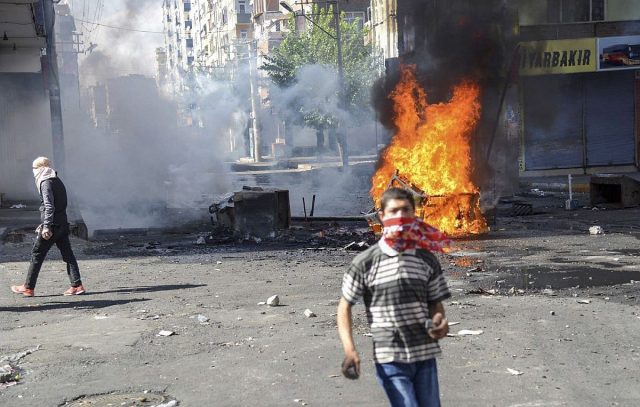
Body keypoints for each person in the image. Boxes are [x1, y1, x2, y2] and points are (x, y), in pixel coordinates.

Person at [337, 187, 452, 407]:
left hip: (424, 354)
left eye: (405, 210)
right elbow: (344, 307)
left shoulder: (426, 260)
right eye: (393, 211)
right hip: (390, 356)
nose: (400, 217)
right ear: (382, 216)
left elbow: (435, 304)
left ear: (414, 214)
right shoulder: (365, 262)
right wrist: (350, 349)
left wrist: (440, 323)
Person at [11, 157, 85, 297]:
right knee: (68, 255)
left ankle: (28, 287)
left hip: (53, 227)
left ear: (39, 169)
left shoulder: (45, 183)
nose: (33, 172)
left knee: (37, 254)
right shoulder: (57, 180)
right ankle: (77, 285)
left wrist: (46, 226)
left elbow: (49, 206)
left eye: (34, 169)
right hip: (62, 223)